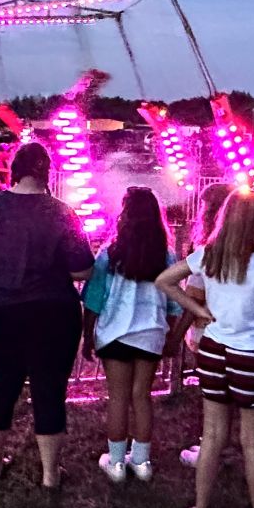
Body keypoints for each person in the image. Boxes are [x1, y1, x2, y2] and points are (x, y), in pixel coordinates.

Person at [156, 188, 254, 508]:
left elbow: (165, 280)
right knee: (253, 443)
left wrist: (198, 311)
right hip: (251, 357)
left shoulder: (208, 255)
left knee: (213, 436)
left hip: (213, 352)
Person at [0, 142, 94, 489]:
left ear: (15, 169)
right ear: (46, 172)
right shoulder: (62, 213)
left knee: (2, 383)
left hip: (0, 310)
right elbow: (82, 271)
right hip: (52, 313)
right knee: (49, 388)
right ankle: (50, 474)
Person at [82, 187, 182, 483]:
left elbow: (94, 299)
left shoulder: (110, 254)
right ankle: (141, 461)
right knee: (142, 396)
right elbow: (174, 304)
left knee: (118, 397)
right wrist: (171, 337)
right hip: (150, 333)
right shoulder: (166, 255)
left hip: (114, 333)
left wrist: (87, 336)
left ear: (124, 215)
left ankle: (114, 463)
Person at [173, 182, 233, 468]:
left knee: (213, 393)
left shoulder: (208, 251)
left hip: (207, 330)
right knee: (228, 391)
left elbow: (192, 295)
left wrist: (177, 335)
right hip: (235, 331)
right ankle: (225, 443)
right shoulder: (245, 250)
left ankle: (210, 448)